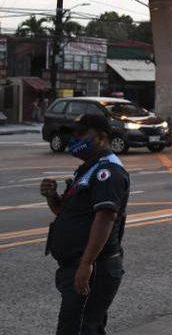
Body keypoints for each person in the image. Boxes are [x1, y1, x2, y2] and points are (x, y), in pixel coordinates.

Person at [40, 113, 130, 335]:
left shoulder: (108, 172)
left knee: (79, 328)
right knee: (84, 327)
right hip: (79, 264)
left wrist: (86, 264)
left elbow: (105, 218)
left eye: (81, 134)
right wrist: (52, 197)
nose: (74, 140)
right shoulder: (89, 169)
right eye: (73, 135)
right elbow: (67, 212)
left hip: (95, 267)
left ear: (101, 138)